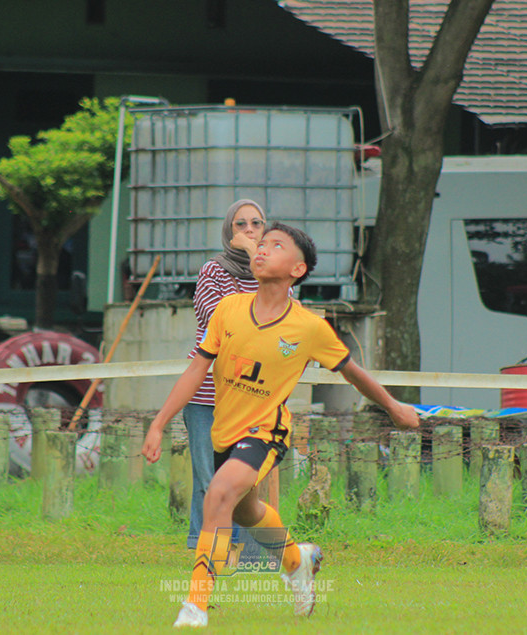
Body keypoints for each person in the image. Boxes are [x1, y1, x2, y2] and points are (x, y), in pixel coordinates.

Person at [142, 222, 420, 628]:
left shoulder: (308, 327)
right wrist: (159, 423)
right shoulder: (228, 310)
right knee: (245, 510)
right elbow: (195, 371)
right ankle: (297, 560)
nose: (262, 249)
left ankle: (194, 605)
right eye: (261, 243)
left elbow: (353, 372)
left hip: (266, 432)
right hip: (224, 432)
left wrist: (394, 407)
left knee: (217, 494)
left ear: (298, 269)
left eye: (276, 245)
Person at [182, 199, 266, 549]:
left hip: (251, 396)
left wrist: (261, 264)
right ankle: (208, 549)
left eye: (257, 224)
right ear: (228, 232)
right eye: (240, 224)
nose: (249, 230)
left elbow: (279, 324)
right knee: (208, 479)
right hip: (206, 396)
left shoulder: (276, 274)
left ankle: (244, 552)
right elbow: (221, 325)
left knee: (243, 480)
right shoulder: (212, 271)